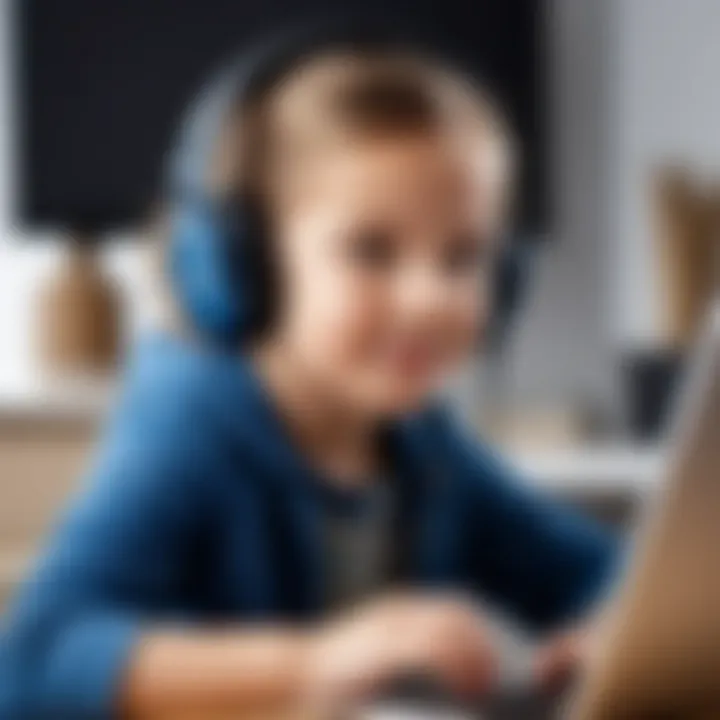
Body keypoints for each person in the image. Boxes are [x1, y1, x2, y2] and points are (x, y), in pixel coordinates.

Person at [0, 33, 618, 720]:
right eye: (371, 250)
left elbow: (605, 575)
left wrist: (603, 632)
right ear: (246, 264)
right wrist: (323, 660)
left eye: (464, 256)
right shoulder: (190, 433)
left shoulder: (424, 447)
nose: (431, 297)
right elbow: (36, 661)